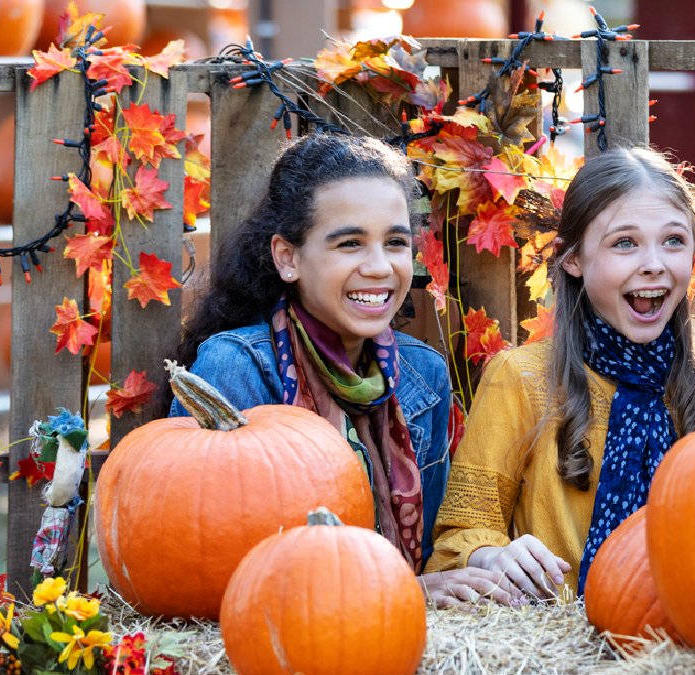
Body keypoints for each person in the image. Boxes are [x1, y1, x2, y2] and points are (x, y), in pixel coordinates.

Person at [172, 133, 520, 609]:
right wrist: (393, 593)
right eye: (350, 243)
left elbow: (434, 551)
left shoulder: (423, 375)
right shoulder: (236, 370)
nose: (380, 267)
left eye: (395, 242)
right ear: (288, 258)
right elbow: (217, 569)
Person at [425, 146, 695, 599]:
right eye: (625, 242)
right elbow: (458, 538)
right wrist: (493, 554)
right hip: (551, 643)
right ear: (573, 259)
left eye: (674, 240)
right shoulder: (522, 379)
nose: (654, 263)